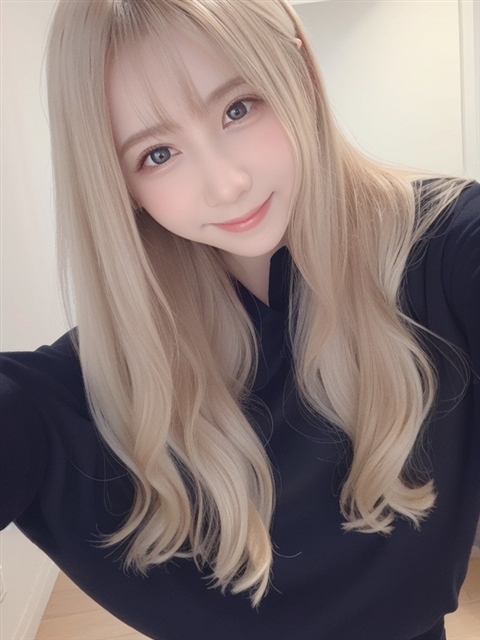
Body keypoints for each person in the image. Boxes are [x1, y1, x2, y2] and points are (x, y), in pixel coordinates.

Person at [1, 1, 479, 638]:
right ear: (119, 186)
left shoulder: (443, 247)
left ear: (297, 73)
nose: (226, 184)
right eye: (158, 154)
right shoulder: (94, 381)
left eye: (237, 108)